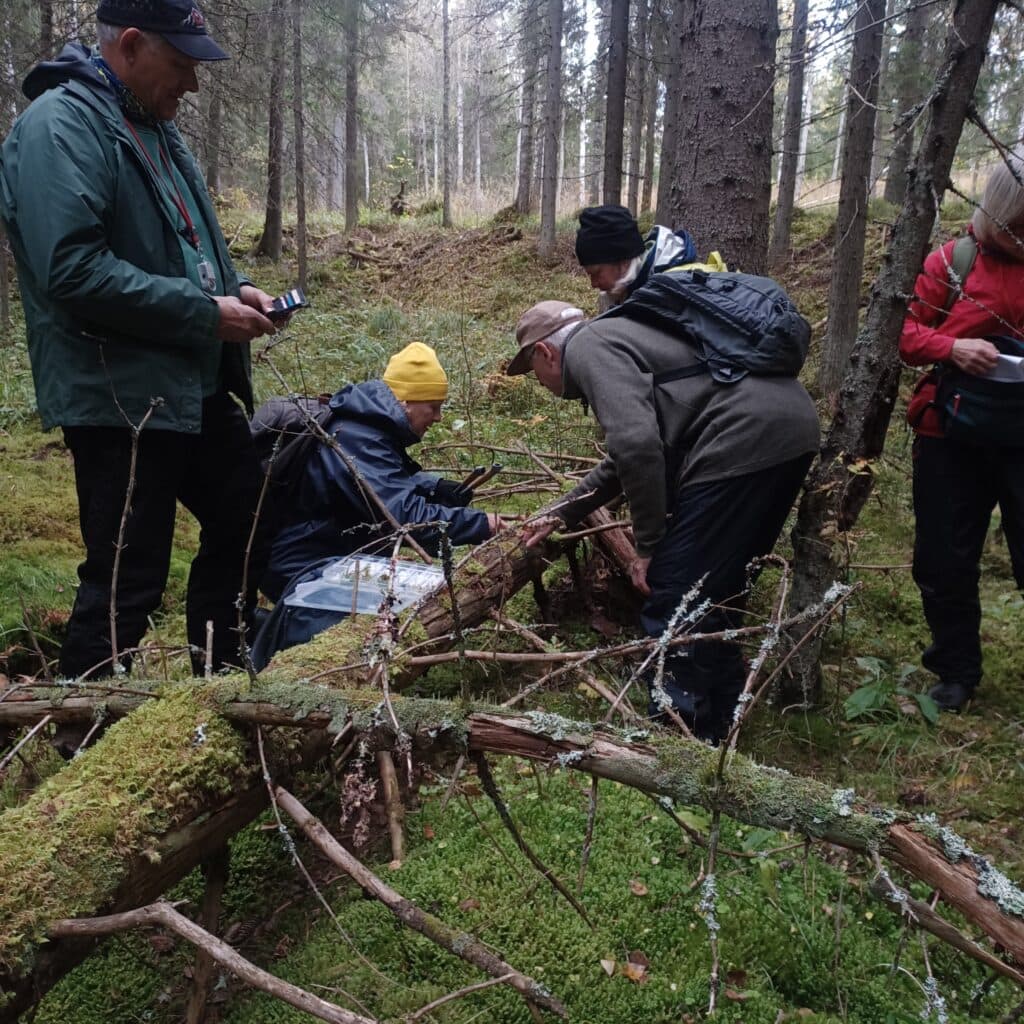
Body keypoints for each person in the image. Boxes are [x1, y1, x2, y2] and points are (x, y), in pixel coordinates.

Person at [0, 0, 280, 678]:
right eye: (180, 64)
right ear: (129, 46)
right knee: (129, 575)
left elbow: (182, 241)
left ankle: (221, 681)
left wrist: (236, 287)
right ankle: (83, 735)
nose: (191, 82)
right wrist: (202, 313)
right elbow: (71, 269)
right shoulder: (59, 128)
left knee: (247, 515)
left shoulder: (150, 125)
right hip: (119, 394)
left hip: (193, 383)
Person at [507, 301, 820, 742]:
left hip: (740, 440)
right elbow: (625, 459)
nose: (540, 383)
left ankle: (679, 742)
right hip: (787, 430)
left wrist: (649, 547)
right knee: (716, 590)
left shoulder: (590, 349)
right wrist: (561, 512)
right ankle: (722, 728)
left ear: (545, 353)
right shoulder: (619, 337)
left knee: (675, 592)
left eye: (533, 371)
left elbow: (637, 447)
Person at [900, 154, 1024, 712]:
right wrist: (953, 348)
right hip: (949, 432)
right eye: (1019, 225)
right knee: (944, 557)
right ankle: (956, 672)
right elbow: (904, 332)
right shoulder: (953, 261)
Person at [261, 342, 500, 603]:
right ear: (406, 402)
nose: (438, 417)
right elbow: (405, 520)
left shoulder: (364, 428)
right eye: (433, 406)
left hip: (329, 552)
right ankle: (267, 633)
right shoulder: (359, 437)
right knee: (394, 613)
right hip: (303, 568)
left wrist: (434, 487)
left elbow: (381, 481)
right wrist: (481, 524)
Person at [574, 204, 725, 310]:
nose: (593, 283)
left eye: (596, 273)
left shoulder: (672, 293)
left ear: (624, 262)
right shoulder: (636, 286)